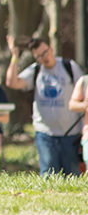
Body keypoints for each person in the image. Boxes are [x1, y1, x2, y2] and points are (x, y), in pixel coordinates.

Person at [6, 35, 84, 176]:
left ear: (51, 49)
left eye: (45, 52)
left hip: (71, 134)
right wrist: (14, 57)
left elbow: (84, 91)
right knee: (48, 175)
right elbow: (12, 82)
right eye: (39, 56)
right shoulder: (36, 71)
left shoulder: (69, 67)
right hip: (45, 134)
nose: (44, 58)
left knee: (73, 176)